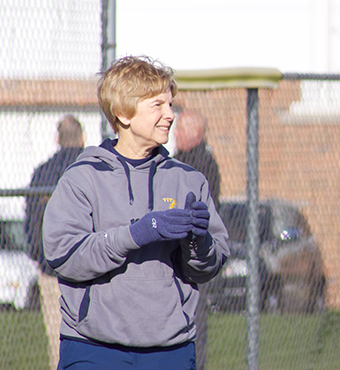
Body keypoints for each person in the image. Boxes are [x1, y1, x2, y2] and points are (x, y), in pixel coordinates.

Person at [42, 55, 229, 370]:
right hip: (93, 349)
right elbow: (63, 255)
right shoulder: (83, 176)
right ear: (123, 114)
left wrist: (199, 242)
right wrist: (136, 234)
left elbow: (207, 268)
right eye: (158, 105)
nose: (170, 115)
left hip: (171, 351)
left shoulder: (189, 179)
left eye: (171, 104)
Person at [25, 114, 84, 370]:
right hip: (88, 266)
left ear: (57, 139)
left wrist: (38, 256)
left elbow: (32, 221)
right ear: (82, 138)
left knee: (56, 335)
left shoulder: (42, 172)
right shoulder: (92, 167)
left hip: (52, 267)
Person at [174, 110, 222, 370]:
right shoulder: (178, 160)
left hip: (192, 257)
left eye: (180, 130)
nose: (175, 134)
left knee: (193, 317)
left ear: (194, 133)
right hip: (175, 256)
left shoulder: (200, 165)